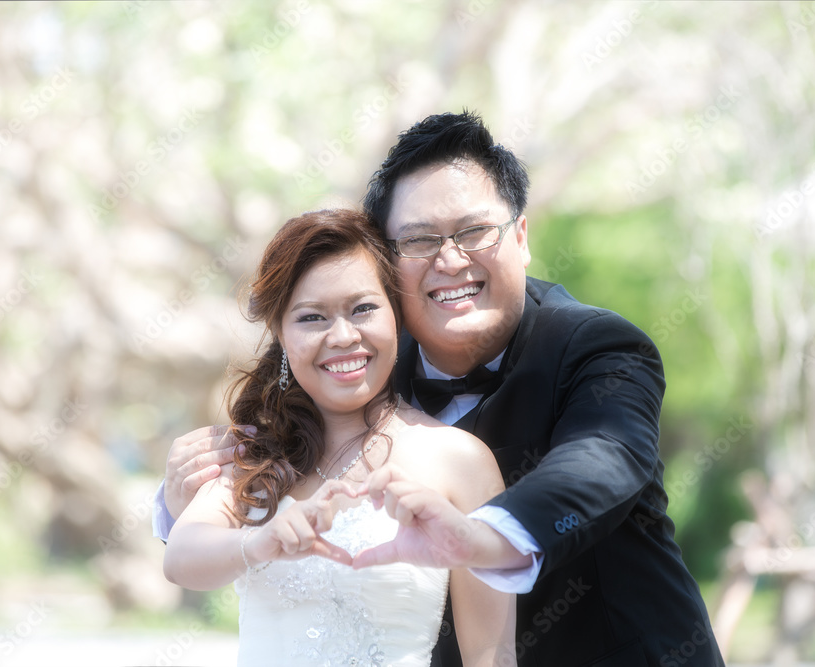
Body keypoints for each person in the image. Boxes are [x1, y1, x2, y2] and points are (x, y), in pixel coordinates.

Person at [156, 111, 724, 667]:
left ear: (521, 236)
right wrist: (188, 502)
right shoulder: (362, 362)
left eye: (474, 231)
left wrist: (481, 537)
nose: (451, 260)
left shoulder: (596, 346)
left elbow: (602, 459)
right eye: (421, 240)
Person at [161, 208, 516, 667]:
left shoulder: (458, 460)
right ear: (281, 335)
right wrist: (260, 543)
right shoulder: (254, 451)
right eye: (312, 318)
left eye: (363, 308)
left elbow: (491, 653)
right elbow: (182, 558)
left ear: (396, 316)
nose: (344, 336)